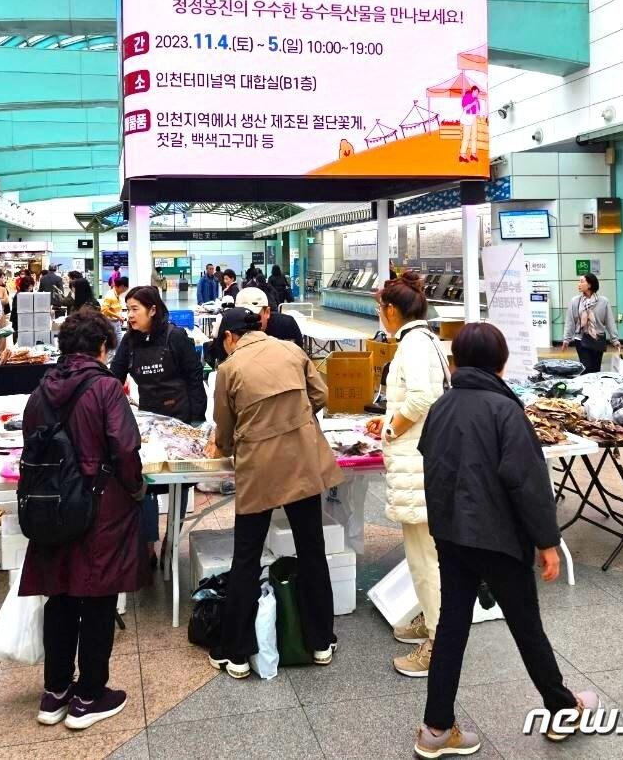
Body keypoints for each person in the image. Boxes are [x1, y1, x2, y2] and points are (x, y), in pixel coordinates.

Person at [413, 323, 599, 758]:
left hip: (451, 536)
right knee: (527, 627)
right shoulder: (505, 411)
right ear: (500, 361)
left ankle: (436, 728)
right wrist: (547, 542)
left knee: (452, 629)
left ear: (456, 360)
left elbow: (432, 463)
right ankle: (563, 709)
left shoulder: (442, 406)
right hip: (496, 539)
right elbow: (527, 484)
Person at [19, 310, 148, 730]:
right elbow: (125, 448)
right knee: (97, 596)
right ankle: (90, 695)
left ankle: (54, 692)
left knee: (60, 596)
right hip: (99, 507)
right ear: (101, 347)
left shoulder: (41, 390)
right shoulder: (106, 389)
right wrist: (136, 489)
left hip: (51, 506)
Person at [206, 308, 343, 678]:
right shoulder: (292, 351)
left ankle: (235, 653)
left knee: (246, 557)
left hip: (259, 469)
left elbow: (224, 428)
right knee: (312, 549)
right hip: (302, 461)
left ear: (230, 338)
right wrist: (292, 422)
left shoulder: (229, 369)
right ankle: (321, 642)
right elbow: (321, 394)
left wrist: (224, 445)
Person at [365, 272, 449, 678]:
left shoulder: (414, 344)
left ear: (392, 311)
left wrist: (392, 427)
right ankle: (434, 623)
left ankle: (438, 642)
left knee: (424, 559)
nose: (380, 317)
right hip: (424, 460)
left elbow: (421, 398)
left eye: (381, 310)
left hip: (418, 465)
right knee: (427, 554)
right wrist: (387, 422)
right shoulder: (425, 339)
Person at [111, 286, 206, 562]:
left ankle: (172, 540)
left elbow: (194, 376)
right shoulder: (129, 343)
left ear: (153, 310)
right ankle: (149, 544)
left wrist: (196, 422)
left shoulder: (175, 337)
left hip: (181, 421)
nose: (129, 315)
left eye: (135, 309)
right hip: (151, 424)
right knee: (146, 485)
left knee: (180, 484)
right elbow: (114, 377)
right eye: (127, 309)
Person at [562, 272, 620, 374]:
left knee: (596, 369)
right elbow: (570, 321)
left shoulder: (603, 302)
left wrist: (615, 339)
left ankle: (595, 389)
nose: (578, 284)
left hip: (598, 338)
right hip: (581, 339)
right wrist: (566, 339)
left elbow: (609, 321)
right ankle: (585, 388)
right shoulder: (575, 301)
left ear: (589, 284)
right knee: (586, 368)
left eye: (581, 281)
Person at [459, 84, 481, 163]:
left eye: (478, 93)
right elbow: (465, 107)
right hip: (467, 118)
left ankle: (473, 154)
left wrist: (478, 112)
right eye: (476, 92)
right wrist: (472, 103)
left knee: (474, 136)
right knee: (466, 136)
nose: (477, 94)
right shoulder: (467, 97)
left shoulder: (476, 99)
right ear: (473, 90)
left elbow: (478, 111)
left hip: (474, 118)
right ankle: (462, 154)